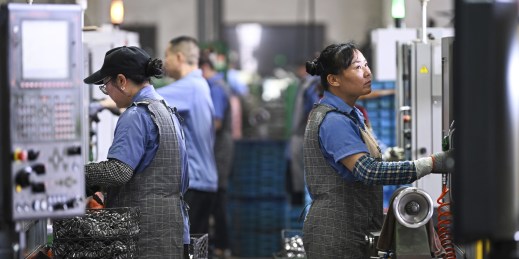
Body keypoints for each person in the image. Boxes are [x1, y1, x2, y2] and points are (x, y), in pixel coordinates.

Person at [302, 42, 453, 258]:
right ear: (333, 80)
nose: (368, 72)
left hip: (354, 227)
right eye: (357, 67)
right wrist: (429, 164)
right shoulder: (333, 121)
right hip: (335, 233)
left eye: (366, 64)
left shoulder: (351, 115)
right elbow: (368, 171)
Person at [83, 46, 189, 258]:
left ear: (121, 81)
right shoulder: (166, 110)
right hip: (172, 230)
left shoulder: (136, 115)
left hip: (144, 236)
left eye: (106, 86)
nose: (108, 94)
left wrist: (76, 173)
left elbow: (119, 171)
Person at [157, 36, 218, 236]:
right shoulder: (199, 84)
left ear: (179, 57)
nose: (164, 62)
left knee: (186, 246)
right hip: (204, 181)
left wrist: (102, 104)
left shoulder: (191, 87)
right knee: (196, 247)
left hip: (196, 182)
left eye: (167, 56)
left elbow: (147, 99)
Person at [199, 54, 234, 258]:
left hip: (219, 146)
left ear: (204, 67)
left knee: (218, 196)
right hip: (216, 145)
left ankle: (222, 246)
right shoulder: (215, 85)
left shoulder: (216, 88)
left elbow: (217, 122)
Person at [287, 61, 321, 205]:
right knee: (303, 176)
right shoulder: (311, 85)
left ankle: (300, 202)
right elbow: (314, 112)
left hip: (302, 136)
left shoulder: (308, 85)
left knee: (302, 175)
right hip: (303, 136)